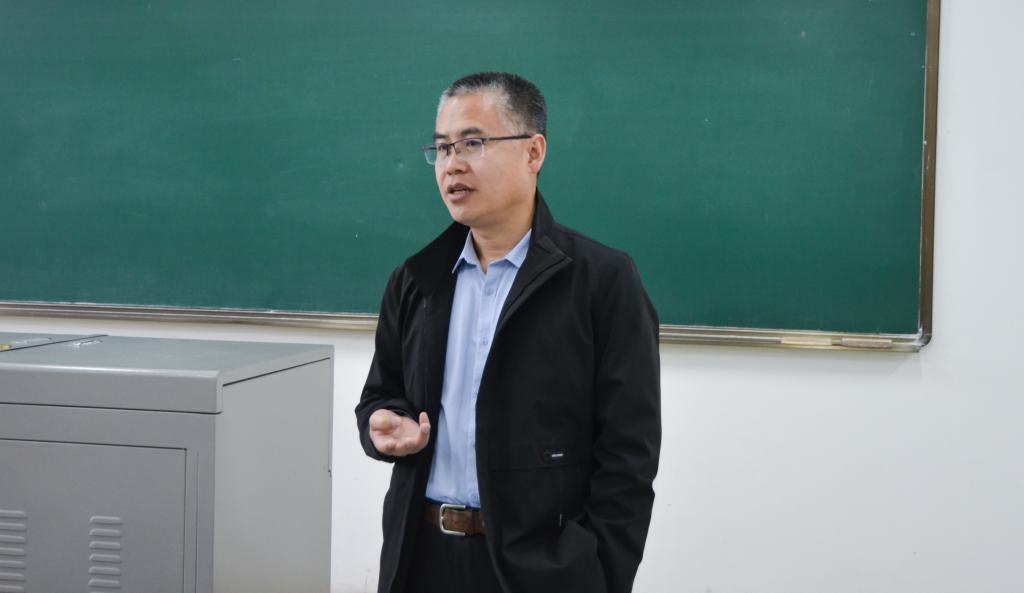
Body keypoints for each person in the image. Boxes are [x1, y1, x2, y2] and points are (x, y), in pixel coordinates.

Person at [355, 71, 661, 593]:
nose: (452, 164)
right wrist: (381, 423)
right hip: (421, 558)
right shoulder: (417, 281)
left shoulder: (601, 281)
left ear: (533, 152)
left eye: (473, 143)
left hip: (540, 571)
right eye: (442, 147)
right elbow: (380, 395)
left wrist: (592, 572)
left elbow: (628, 456)